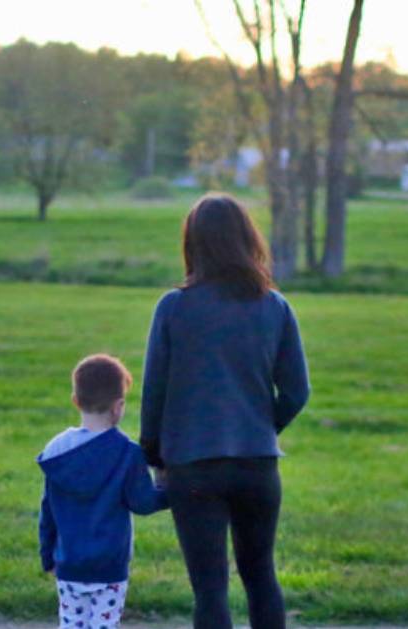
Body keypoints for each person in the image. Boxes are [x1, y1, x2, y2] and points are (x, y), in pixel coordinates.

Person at [139, 194, 310, 629]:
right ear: (247, 240)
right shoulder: (274, 307)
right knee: (261, 576)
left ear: (193, 243)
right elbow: (296, 390)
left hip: (193, 467)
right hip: (257, 463)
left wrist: (154, 454)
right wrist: (261, 426)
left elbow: (154, 392)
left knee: (210, 588)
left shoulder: (174, 308)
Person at [38, 354, 168, 629]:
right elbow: (143, 503)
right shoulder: (127, 453)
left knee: (71, 623)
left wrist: (48, 556)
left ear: (75, 400)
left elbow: (47, 510)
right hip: (109, 567)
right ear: (119, 407)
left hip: (69, 564)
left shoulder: (57, 452)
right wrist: (170, 490)